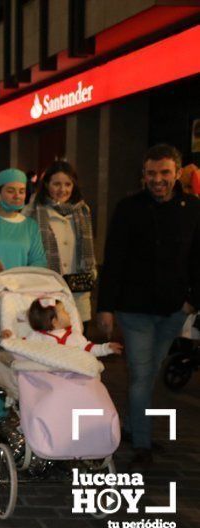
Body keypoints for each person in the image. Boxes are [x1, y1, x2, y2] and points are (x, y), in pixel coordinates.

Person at [97, 143, 200, 472]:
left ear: (178, 173)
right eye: (152, 173)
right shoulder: (128, 208)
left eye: (165, 173)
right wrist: (106, 308)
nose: (158, 179)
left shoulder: (193, 208)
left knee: (150, 372)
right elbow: (114, 261)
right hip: (134, 308)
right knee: (141, 375)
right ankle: (141, 442)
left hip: (174, 309)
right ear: (143, 175)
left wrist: (192, 301)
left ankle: (131, 426)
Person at [23, 161, 97, 323]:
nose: (62, 190)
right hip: (45, 289)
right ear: (47, 184)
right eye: (56, 184)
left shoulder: (83, 211)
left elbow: (89, 249)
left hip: (78, 290)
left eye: (67, 184)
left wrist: (91, 271)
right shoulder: (33, 211)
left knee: (79, 340)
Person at [0, 168, 48, 284]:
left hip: (19, 294)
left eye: (22, 191)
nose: (17, 196)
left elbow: (38, 261)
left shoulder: (30, 226)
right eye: (11, 191)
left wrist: (25, 280)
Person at [8, 298, 123, 356]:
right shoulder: (37, 337)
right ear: (54, 321)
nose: (68, 312)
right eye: (63, 311)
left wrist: (106, 348)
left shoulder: (74, 336)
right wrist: (9, 338)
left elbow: (89, 349)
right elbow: (20, 347)